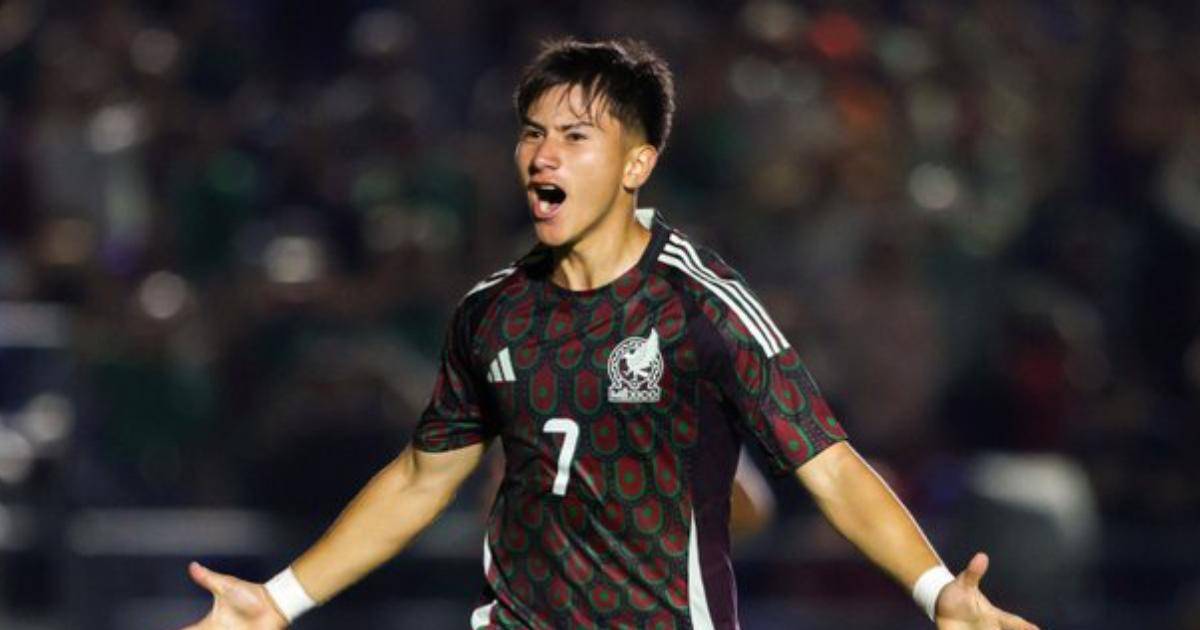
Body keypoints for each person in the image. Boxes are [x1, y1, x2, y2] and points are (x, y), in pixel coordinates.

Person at [182, 38, 1038, 630]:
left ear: (638, 163)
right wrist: (278, 601)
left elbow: (830, 464)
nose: (543, 156)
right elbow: (419, 477)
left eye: (575, 137)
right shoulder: (490, 313)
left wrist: (936, 591)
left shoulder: (701, 304)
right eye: (533, 134)